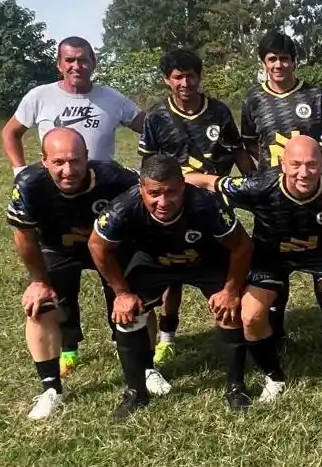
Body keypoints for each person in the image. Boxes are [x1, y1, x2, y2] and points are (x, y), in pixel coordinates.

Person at [186, 136, 322, 401]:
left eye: (311, 164)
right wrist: (172, 183)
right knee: (251, 317)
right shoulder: (260, 184)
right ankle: (273, 376)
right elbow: (210, 182)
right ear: (283, 164)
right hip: (272, 258)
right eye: (296, 164)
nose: (304, 172)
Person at [88, 154, 254, 417]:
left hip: (204, 259)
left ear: (183, 186)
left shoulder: (205, 204)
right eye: (154, 193)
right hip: (152, 261)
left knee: (230, 310)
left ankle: (236, 387)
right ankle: (135, 392)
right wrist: (121, 293)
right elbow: (97, 245)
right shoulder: (122, 207)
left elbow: (242, 246)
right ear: (141, 188)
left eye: (171, 192)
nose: (163, 202)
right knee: (128, 315)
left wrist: (231, 291)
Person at [6, 128, 140, 419]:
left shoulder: (116, 177)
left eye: (75, 160)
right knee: (39, 306)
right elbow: (23, 237)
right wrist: (39, 281)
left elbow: (154, 192)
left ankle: (145, 370)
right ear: (44, 161)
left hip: (107, 248)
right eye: (58, 162)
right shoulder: (29, 184)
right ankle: (51, 389)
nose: (68, 170)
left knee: (136, 299)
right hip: (57, 249)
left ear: (87, 157)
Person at [139, 48, 253, 366]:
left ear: (199, 77)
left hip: (213, 207)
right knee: (172, 274)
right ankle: (167, 337)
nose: (185, 83)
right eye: (178, 77)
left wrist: (254, 185)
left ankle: (237, 338)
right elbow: (148, 166)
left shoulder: (218, 111)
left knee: (225, 270)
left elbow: (238, 152)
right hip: (173, 207)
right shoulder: (157, 116)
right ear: (167, 80)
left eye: (190, 76)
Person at [239, 31, 322, 348]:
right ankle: (276, 331)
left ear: (295, 61)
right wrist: (264, 178)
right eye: (272, 59)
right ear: (263, 63)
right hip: (274, 197)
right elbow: (251, 143)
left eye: (284, 59)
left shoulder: (317, 97)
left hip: (314, 193)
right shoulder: (254, 99)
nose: (279, 65)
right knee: (275, 263)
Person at [2, 36, 143, 174]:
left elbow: (150, 127)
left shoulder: (113, 98)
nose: (76, 66)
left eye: (83, 60)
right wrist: (20, 170)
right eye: (69, 60)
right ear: (59, 64)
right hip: (56, 181)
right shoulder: (39, 96)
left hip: (101, 183)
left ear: (93, 63)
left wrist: (148, 169)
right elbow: (10, 132)